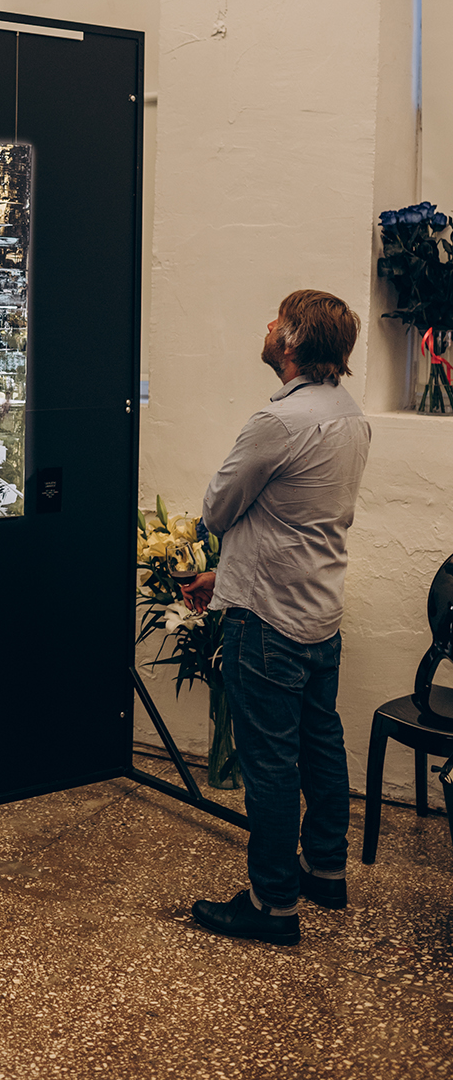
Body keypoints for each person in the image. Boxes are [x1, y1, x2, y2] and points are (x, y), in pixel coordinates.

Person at [183, 289, 371, 946]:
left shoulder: (277, 422)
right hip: (319, 612)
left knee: (269, 764)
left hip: (266, 622)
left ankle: (272, 904)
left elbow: (217, 509)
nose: (266, 327)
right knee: (321, 747)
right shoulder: (349, 414)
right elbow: (300, 521)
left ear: (290, 343)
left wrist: (226, 560)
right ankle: (325, 871)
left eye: (276, 321)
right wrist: (224, 574)